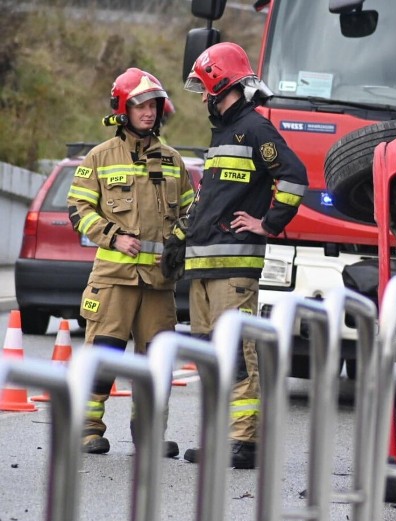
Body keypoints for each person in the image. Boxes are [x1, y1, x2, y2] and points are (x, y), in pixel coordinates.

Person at [179, 42, 308, 469]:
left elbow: (294, 177)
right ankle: (222, 437)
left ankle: (244, 442)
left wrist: (268, 223)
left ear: (220, 86)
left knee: (236, 354)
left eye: (204, 88)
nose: (201, 97)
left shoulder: (255, 129)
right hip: (203, 266)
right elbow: (210, 202)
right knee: (208, 354)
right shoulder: (222, 136)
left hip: (233, 270)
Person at [67, 68, 196, 456]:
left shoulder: (174, 161)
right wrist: (111, 235)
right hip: (114, 278)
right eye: (140, 104)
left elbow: (194, 210)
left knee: (156, 362)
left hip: (159, 283)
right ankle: (88, 429)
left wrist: (181, 238)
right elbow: (78, 207)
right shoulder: (100, 157)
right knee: (103, 354)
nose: (148, 112)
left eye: (154, 105)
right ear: (123, 108)